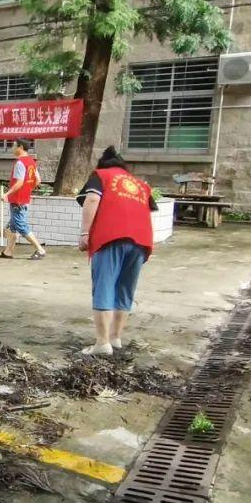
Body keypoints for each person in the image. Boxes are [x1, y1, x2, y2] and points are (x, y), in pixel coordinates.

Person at [76, 146, 159, 356]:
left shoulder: (100, 176)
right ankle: (116, 338)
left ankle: (102, 343)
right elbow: (147, 210)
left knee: (104, 286)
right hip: (140, 240)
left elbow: (92, 199)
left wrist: (85, 233)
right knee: (124, 289)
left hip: (111, 237)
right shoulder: (140, 185)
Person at [0, 139, 46, 260]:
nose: (12, 148)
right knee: (10, 228)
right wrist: (27, 189)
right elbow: (38, 180)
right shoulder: (30, 161)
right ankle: (8, 251)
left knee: (21, 226)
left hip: (17, 200)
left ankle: (40, 249)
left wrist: (7, 194)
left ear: (20, 147)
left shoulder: (20, 163)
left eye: (13, 145)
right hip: (23, 198)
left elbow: (19, 182)